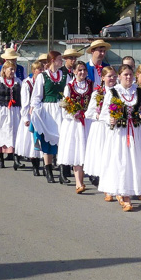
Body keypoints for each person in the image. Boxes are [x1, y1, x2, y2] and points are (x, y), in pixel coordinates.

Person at [99, 63, 141, 211]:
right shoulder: (113, 92)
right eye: (125, 75)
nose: (128, 77)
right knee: (121, 162)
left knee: (134, 162)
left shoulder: (139, 91)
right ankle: (124, 196)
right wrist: (110, 119)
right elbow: (103, 114)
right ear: (119, 77)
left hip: (136, 131)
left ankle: (129, 191)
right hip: (119, 134)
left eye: (130, 74)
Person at [29, 51, 67, 184]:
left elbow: (67, 93)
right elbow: (36, 96)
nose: (61, 62)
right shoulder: (42, 76)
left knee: (62, 141)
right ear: (52, 61)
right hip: (47, 110)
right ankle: (49, 171)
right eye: (59, 59)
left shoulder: (64, 75)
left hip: (61, 110)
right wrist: (34, 110)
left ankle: (62, 172)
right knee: (47, 141)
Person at [58, 61, 93, 193]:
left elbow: (95, 102)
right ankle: (79, 182)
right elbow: (64, 107)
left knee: (87, 150)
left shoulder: (91, 85)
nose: (82, 72)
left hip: (88, 121)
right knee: (77, 151)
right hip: (75, 123)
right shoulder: (69, 86)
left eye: (84, 70)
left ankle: (87, 179)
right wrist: (74, 114)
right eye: (79, 70)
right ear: (73, 71)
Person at [84, 65, 116, 198]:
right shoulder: (98, 93)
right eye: (109, 76)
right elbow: (88, 113)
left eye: (114, 76)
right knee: (103, 156)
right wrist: (99, 116)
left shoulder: (118, 92)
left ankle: (113, 185)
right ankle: (106, 188)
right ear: (102, 78)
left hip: (114, 128)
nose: (112, 79)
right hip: (101, 127)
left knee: (112, 156)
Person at [16, 60, 44, 176]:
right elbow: (25, 103)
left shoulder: (43, 82)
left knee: (39, 142)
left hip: (41, 115)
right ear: (34, 71)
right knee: (31, 142)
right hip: (30, 115)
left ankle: (40, 165)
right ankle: (35, 166)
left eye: (43, 69)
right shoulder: (27, 83)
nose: (41, 72)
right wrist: (26, 118)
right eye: (39, 70)